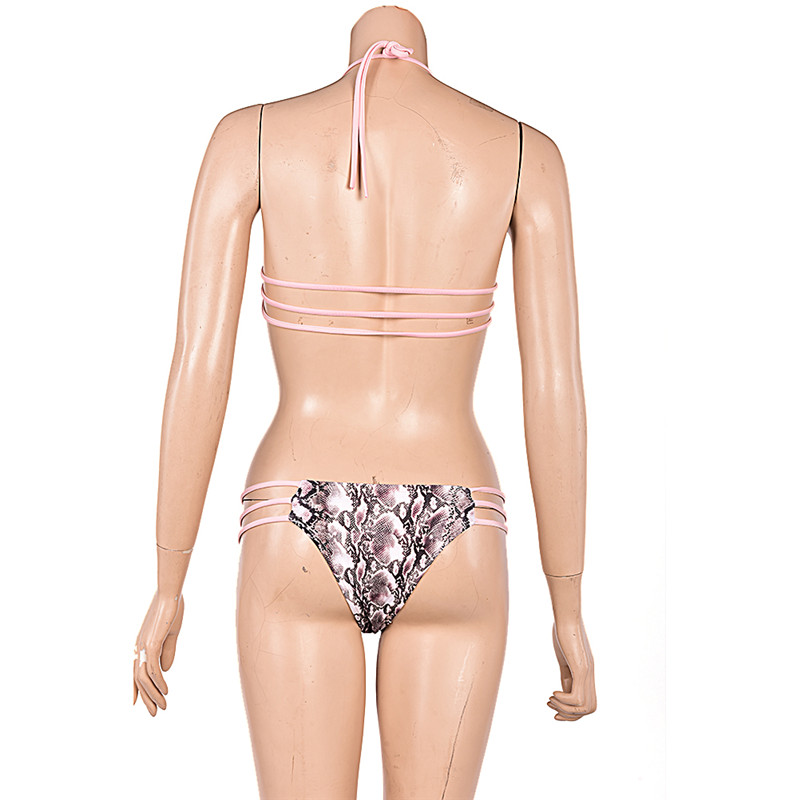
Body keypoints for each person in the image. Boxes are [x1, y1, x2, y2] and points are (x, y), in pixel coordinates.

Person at [133, 6, 596, 798]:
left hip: (293, 516)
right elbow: (556, 385)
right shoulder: (526, 153)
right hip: (458, 518)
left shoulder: (250, 138)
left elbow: (196, 365)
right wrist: (570, 607)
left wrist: (167, 582)